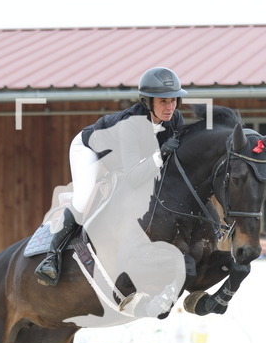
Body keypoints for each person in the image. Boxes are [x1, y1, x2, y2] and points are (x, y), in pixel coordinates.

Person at [35, 66, 187, 286]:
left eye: (173, 100)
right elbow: (136, 176)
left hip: (124, 161)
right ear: (147, 102)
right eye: (163, 101)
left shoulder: (175, 119)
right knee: (84, 196)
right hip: (91, 151)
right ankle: (52, 257)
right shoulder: (130, 124)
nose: (170, 106)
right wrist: (160, 154)